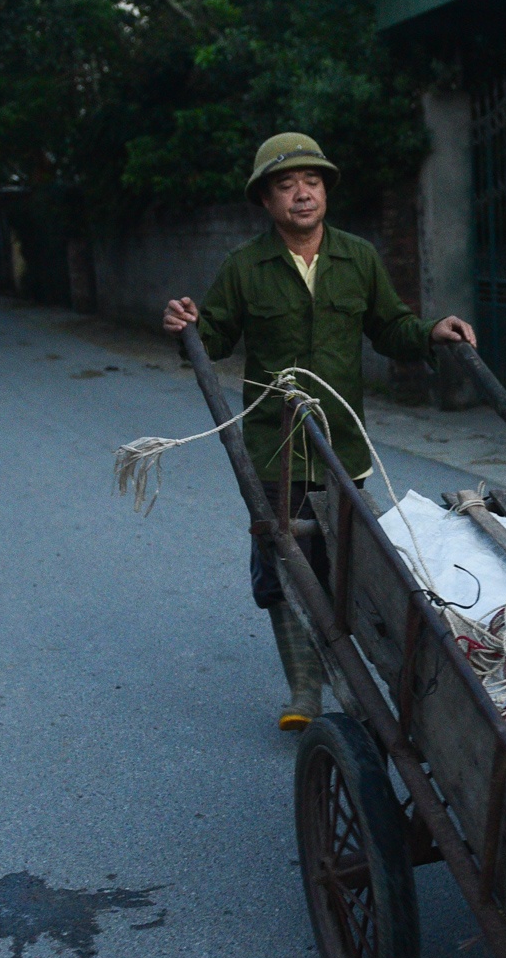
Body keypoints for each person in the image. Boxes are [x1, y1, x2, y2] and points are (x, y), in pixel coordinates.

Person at [164, 132, 475, 733]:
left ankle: (382, 680)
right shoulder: (244, 267)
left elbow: (391, 327)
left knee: (361, 564)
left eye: (311, 181)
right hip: (272, 449)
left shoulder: (357, 257)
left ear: (326, 190)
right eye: (286, 185)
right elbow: (217, 337)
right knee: (283, 565)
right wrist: (187, 327)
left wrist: (432, 331)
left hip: (343, 446)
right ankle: (305, 689)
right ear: (266, 200)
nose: (301, 194)